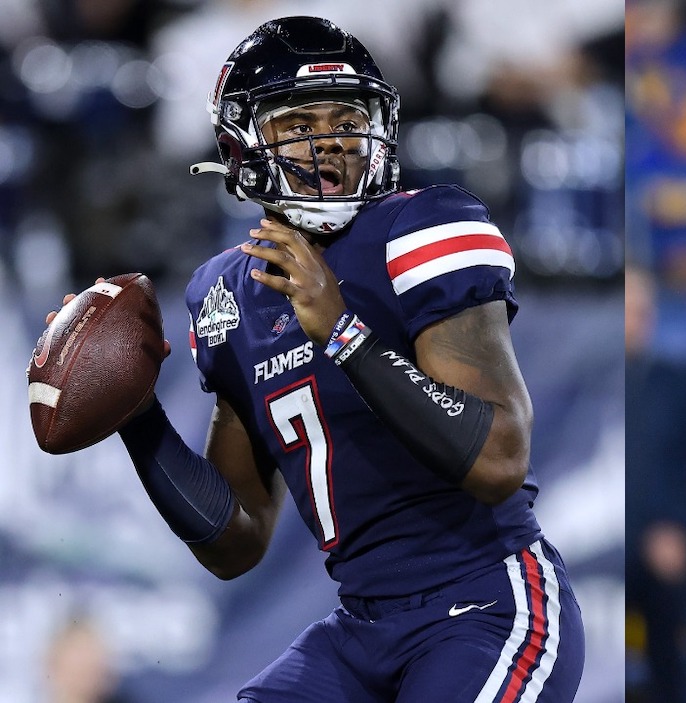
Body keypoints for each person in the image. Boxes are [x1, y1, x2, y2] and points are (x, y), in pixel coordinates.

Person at [44, 16, 584, 703]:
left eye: (345, 119)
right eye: (299, 124)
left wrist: (344, 332)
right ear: (243, 146)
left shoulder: (424, 228)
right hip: (363, 624)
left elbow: (499, 461)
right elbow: (236, 541)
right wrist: (136, 411)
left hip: (488, 604)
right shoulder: (226, 295)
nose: (328, 141)